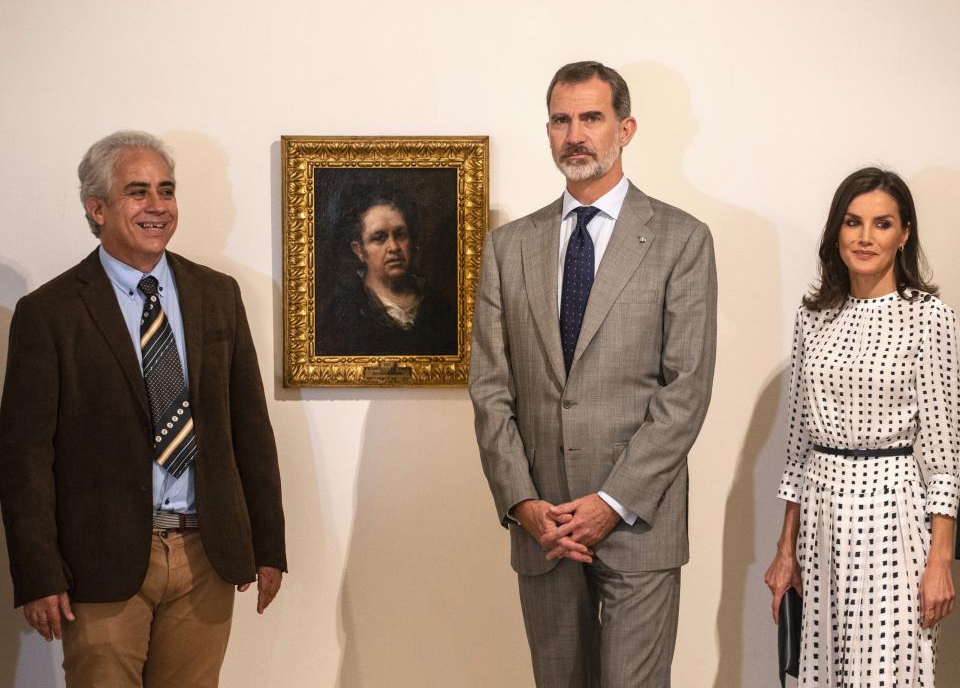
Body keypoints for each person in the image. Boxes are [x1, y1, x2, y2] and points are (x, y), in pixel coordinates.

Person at [0, 131, 286, 687]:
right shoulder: (50, 313)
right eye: (138, 192)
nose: (157, 206)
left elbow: (250, 429)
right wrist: (38, 574)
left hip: (208, 553)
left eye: (166, 189)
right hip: (100, 564)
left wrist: (269, 544)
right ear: (97, 207)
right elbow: (24, 457)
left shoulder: (217, 294)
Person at [469, 61, 717, 686]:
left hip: (638, 522)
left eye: (591, 117)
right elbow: (491, 389)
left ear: (625, 128)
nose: (574, 133)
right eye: (560, 119)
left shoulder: (682, 240)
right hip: (543, 528)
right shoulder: (508, 247)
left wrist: (612, 502)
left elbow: (685, 390)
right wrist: (522, 501)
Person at [764, 167, 958, 686]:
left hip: (892, 513)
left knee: (887, 674)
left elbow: (943, 456)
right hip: (821, 514)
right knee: (823, 672)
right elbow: (798, 445)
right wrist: (786, 550)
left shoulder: (929, 317)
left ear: (904, 234)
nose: (866, 237)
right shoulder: (813, 316)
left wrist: (941, 559)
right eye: (853, 222)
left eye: (882, 223)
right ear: (837, 232)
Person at [318, 193, 456, 356]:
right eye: (379, 238)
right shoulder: (339, 315)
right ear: (360, 250)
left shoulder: (440, 306)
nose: (394, 247)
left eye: (400, 234)